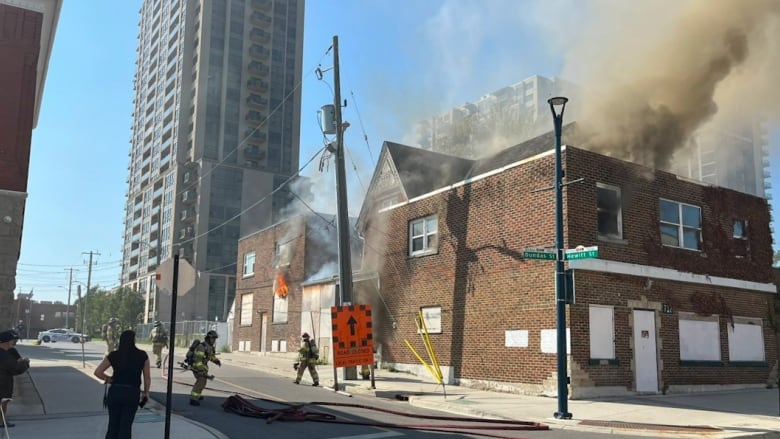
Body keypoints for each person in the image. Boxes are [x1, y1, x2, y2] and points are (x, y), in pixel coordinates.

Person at [94, 330, 151, 439]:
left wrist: (110, 380)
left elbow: (98, 372)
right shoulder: (142, 355)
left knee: (113, 426)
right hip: (131, 393)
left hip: (115, 392)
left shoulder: (114, 355)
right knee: (125, 426)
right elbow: (147, 377)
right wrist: (146, 393)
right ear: (134, 340)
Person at [0, 330, 30, 428]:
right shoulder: (4, 355)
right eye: (13, 340)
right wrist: (25, 363)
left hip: (4, 382)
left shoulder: (9, 352)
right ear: (6, 341)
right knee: (3, 401)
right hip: (3, 384)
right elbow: (15, 369)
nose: (15, 343)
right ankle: (1, 421)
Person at [189, 330, 221, 406]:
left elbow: (210, 356)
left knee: (202, 382)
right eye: (212, 339)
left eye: (215, 339)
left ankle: (197, 395)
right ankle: (193, 399)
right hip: (196, 367)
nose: (214, 340)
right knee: (201, 382)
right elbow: (198, 360)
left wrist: (216, 361)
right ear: (208, 338)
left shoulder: (210, 347)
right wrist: (201, 370)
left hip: (203, 367)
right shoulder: (202, 347)